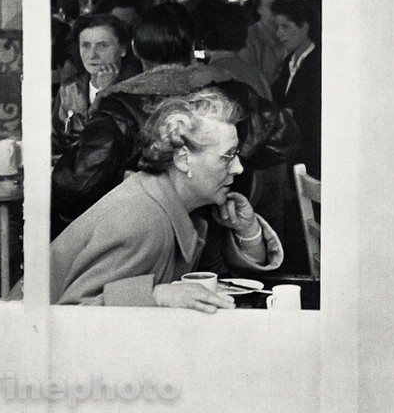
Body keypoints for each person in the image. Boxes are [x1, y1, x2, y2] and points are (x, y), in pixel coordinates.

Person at [51, 3, 300, 237]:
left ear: (135, 49)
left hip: (142, 234)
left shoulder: (119, 105)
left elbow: (78, 183)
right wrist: (222, 165)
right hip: (219, 228)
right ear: (192, 46)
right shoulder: (231, 91)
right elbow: (285, 138)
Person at [46, 89, 284, 308]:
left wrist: (247, 229)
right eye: (227, 157)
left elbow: (226, 280)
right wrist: (157, 295)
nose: (239, 168)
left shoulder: (180, 206)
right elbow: (72, 314)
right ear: (183, 159)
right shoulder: (142, 221)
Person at [51, 13, 137, 154]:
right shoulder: (70, 87)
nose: (92, 55)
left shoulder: (134, 89)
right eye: (85, 46)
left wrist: (105, 92)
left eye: (102, 46)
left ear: (123, 49)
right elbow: (56, 140)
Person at [271, 0, 321, 180]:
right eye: (277, 27)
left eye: (285, 27)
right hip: (294, 155)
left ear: (304, 27)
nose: (279, 34)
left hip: (312, 156)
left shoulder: (319, 63)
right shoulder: (289, 61)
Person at [241, 0, 289, 87]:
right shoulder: (249, 37)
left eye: (279, 5)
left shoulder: (291, 33)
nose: (275, 9)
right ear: (259, 9)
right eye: (269, 6)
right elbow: (250, 76)